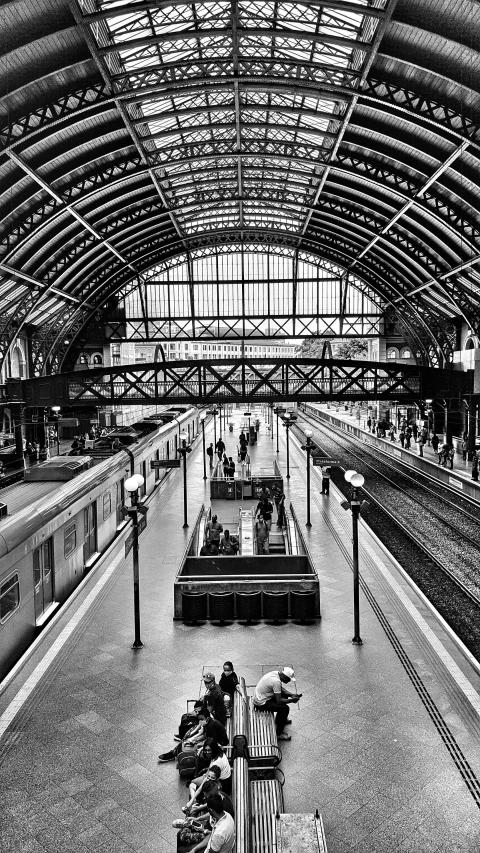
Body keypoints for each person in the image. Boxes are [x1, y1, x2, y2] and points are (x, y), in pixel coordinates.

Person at [253, 667, 301, 740]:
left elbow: (280, 689)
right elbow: (279, 701)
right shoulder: (276, 682)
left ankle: (279, 719)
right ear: (285, 676)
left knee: (284, 695)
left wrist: (291, 695)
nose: (288, 681)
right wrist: (292, 700)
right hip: (261, 703)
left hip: (260, 697)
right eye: (289, 679)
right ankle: (278, 734)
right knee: (285, 709)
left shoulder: (276, 673)